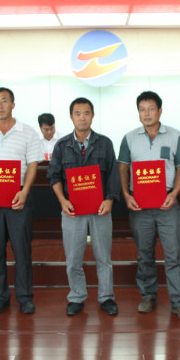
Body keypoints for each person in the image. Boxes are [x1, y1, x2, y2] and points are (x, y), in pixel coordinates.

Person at [118, 91, 180, 321]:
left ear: (160, 111)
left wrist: (175, 194)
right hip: (139, 205)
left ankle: (178, 302)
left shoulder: (175, 135)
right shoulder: (129, 138)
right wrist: (126, 194)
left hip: (167, 204)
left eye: (151, 108)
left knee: (173, 255)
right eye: (142, 109)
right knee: (144, 254)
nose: (146, 113)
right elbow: (123, 168)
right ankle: (148, 296)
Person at [47, 97, 120, 316]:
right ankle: (77, 296)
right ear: (71, 117)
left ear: (92, 115)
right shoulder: (62, 145)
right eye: (77, 113)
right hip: (73, 211)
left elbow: (113, 174)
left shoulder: (105, 143)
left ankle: (106, 296)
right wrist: (63, 201)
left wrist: (109, 200)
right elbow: (53, 176)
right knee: (73, 259)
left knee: (103, 258)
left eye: (86, 113)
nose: (82, 117)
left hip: (100, 210)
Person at [0, 87, 42, 315]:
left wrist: (25, 191)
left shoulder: (28, 132)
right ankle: (1, 295)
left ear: (13, 104)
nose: (0, 105)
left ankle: (24, 296)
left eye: (4, 101)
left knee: (22, 250)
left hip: (18, 198)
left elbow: (32, 165)